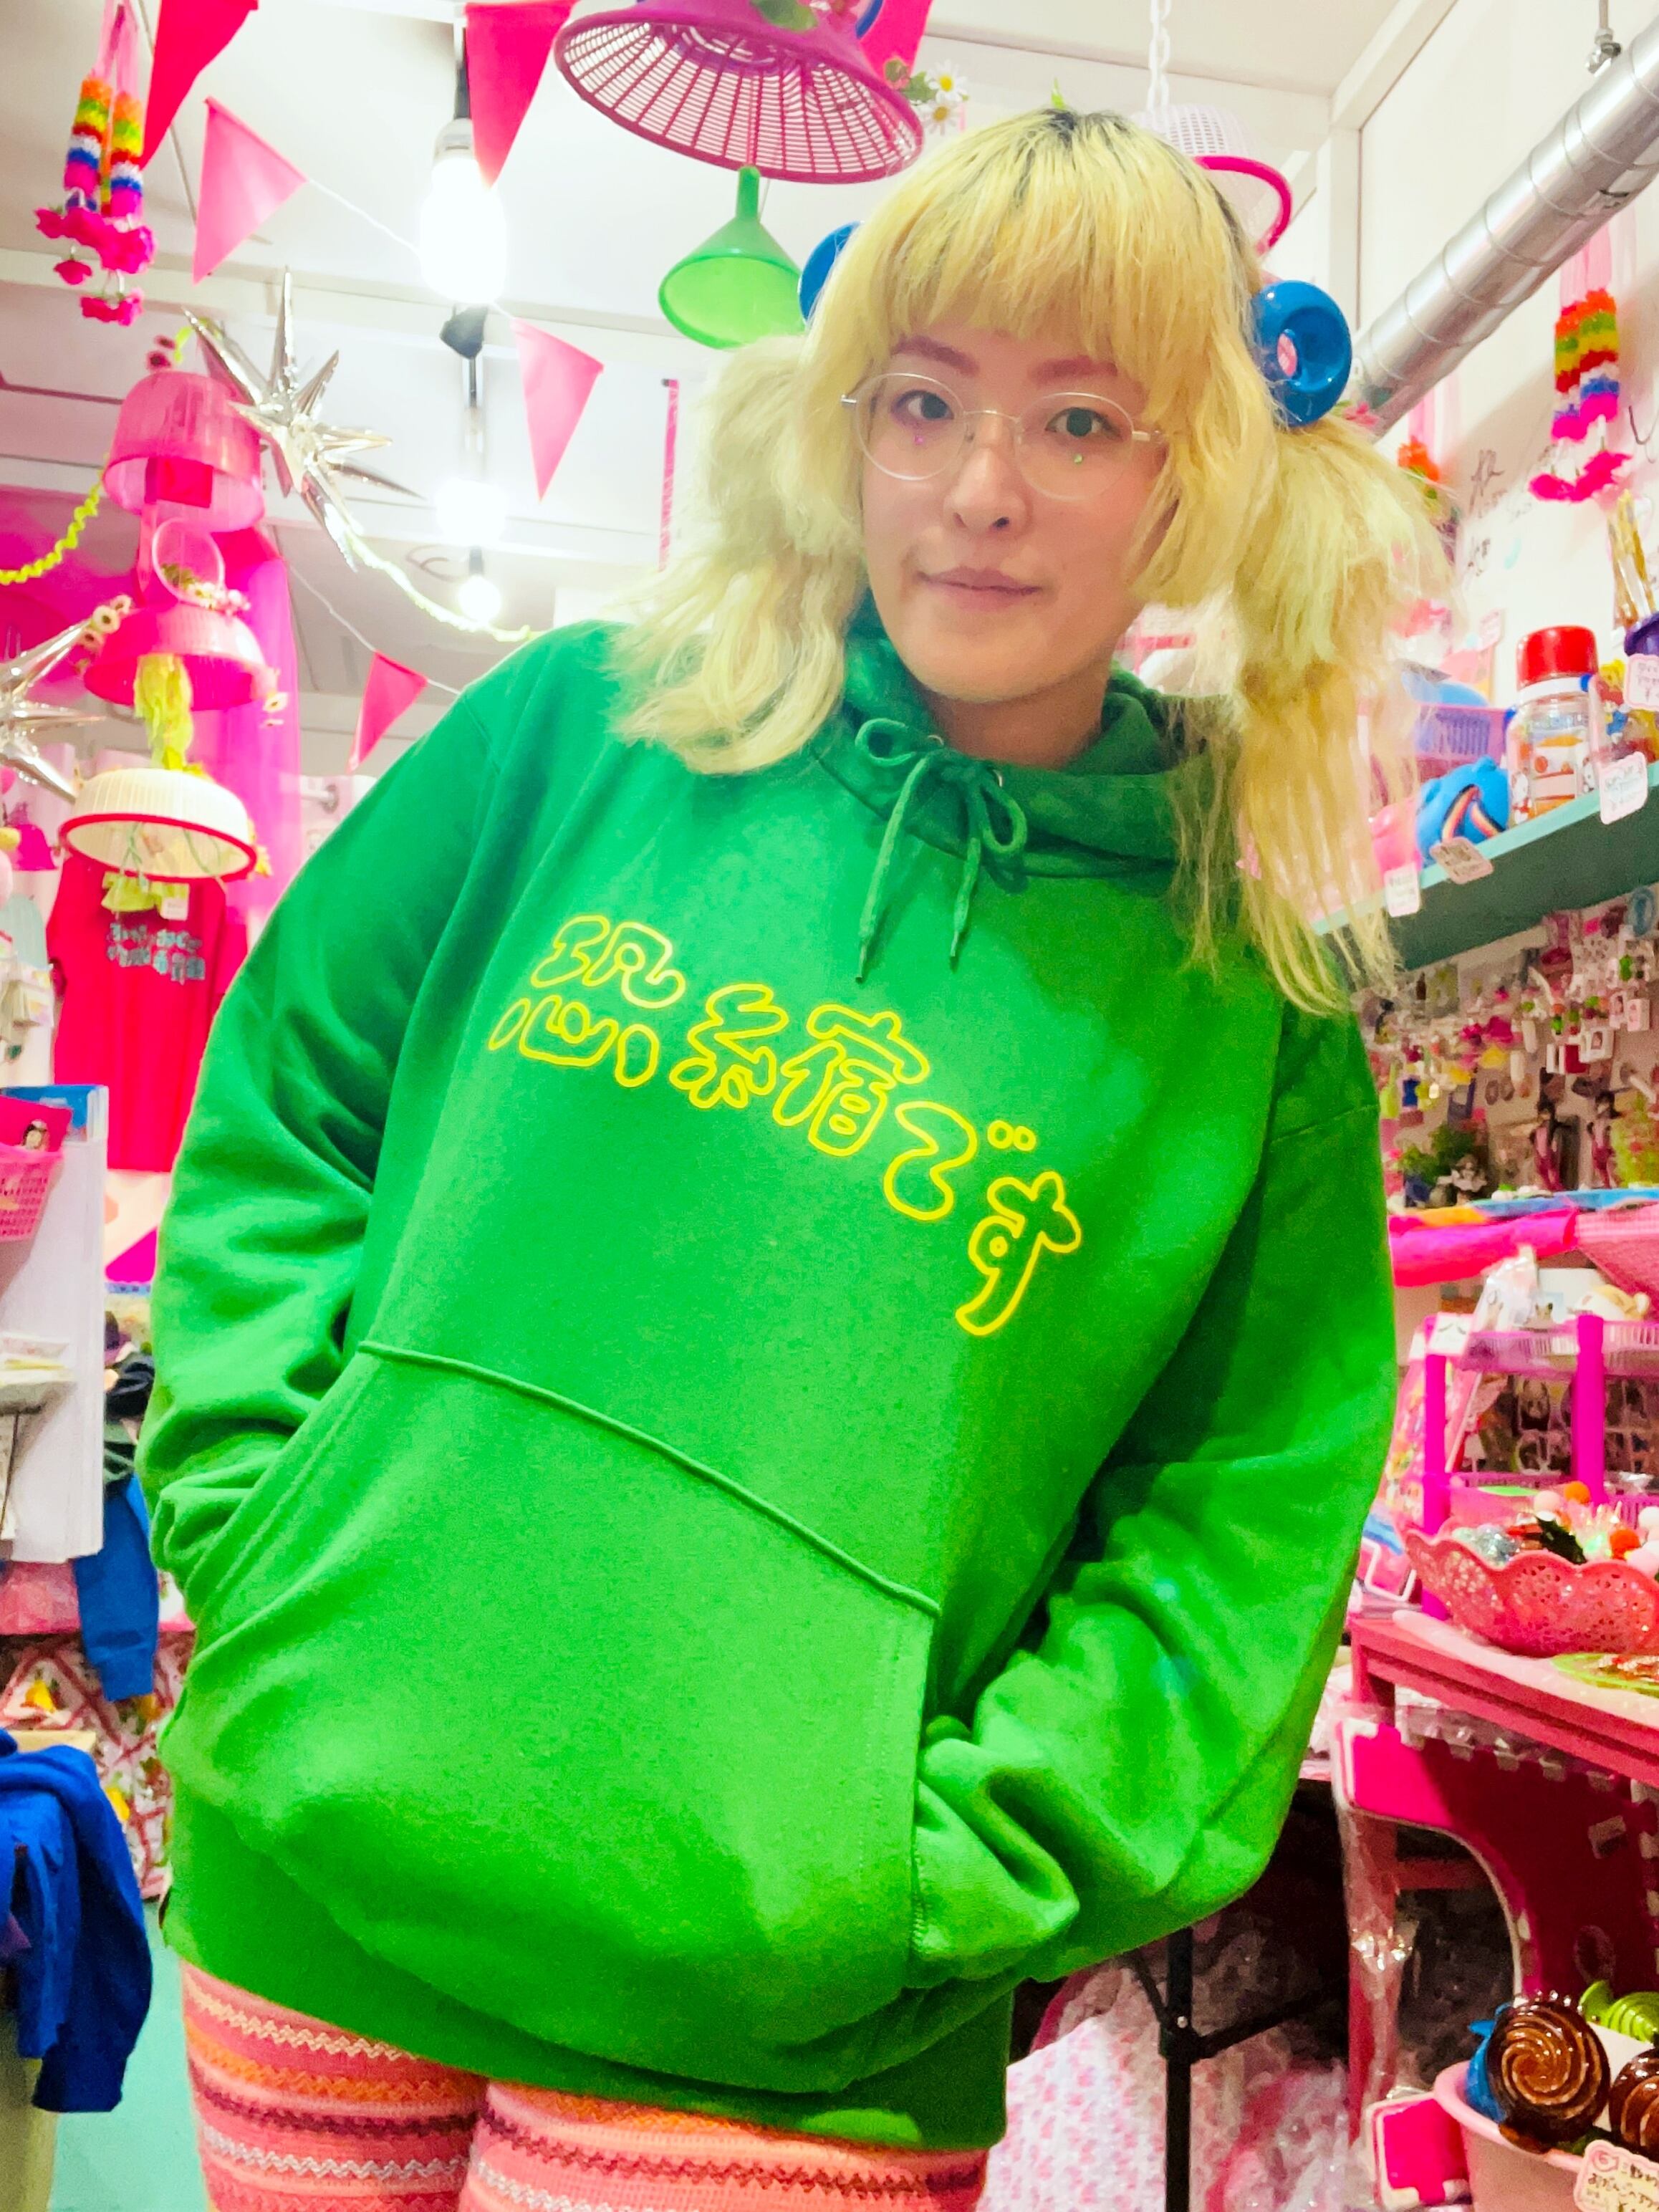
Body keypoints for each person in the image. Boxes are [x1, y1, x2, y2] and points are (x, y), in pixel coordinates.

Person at [140, 107, 1429, 2212]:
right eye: (922, 401)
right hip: (320, 1858)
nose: (980, 487)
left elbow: (1238, 1516)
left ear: (1192, 473)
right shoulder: (584, 725)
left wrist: (941, 1870)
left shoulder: (1235, 995)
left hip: (784, 2019)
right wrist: (264, 1544)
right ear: (844, 425)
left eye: (1077, 419)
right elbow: (288, 1110)